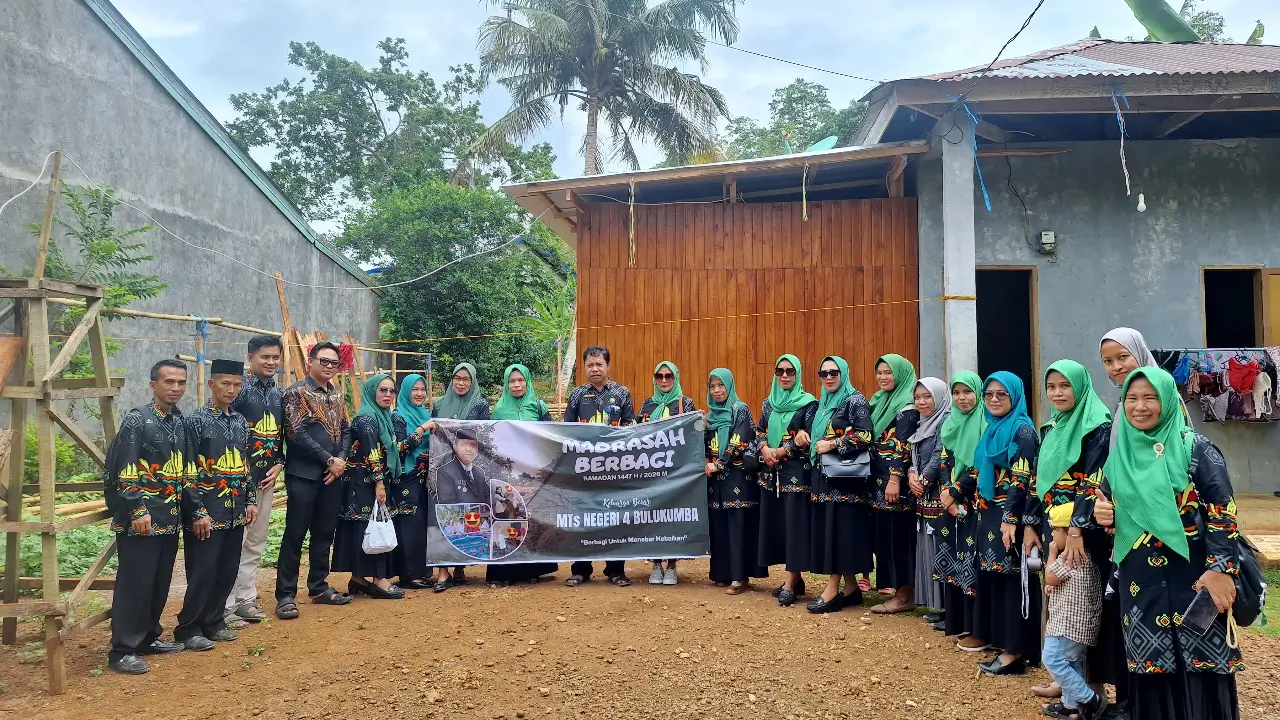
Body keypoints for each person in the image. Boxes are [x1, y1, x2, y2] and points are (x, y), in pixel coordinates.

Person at [1093, 368, 1243, 720]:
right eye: (1132, 399)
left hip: (1195, 581)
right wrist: (1107, 516)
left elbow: (1224, 512)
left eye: (1151, 398)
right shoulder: (1119, 458)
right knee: (1151, 671)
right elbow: (1115, 513)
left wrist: (1221, 570)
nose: (1140, 407)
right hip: (1141, 586)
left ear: (1169, 401)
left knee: (1202, 671)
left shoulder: (1196, 449)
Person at [1032, 360, 1113, 704]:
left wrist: (1077, 529)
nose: (1058, 392)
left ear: (1080, 387)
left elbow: (1094, 480)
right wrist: (1042, 526)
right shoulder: (1052, 426)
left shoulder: (1098, 426)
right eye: (1052, 387)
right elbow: (1042, 480)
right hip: (1058, 527)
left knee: (1085, 608)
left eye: (1065, 386)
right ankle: (1067, 680)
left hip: (1088, 532)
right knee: (1061, 603)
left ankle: (1091, 689)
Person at [104, 359, 191, 675]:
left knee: (158, 582)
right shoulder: (137, 420)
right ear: (153, 385)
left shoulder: (178, 422)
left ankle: (148, 637)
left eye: (181, 382)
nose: (176, 388)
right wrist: (136, 509)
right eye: (169, 382)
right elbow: (124, 468)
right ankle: (122, 649)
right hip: (141, 518)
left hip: (169, 517)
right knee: (134, 584)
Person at [175, 359, 257, 650]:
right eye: (225, 384)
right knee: (203, 571)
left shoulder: (239, 422)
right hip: (207, 512)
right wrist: (197, 511)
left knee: (227, 570)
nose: (231, 390)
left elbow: (244, 464)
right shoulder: (196, 421)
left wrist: (250, 500)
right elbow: (186, 468)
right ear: (212, 385)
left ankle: (214, 621)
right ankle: (188, 628)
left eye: (236, 385)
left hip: (235, 510)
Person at [968, 371, 1042, 674]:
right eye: (989, 394)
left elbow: (1021, 478)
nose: (995, 399)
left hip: (1009, 518)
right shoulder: (993, 429)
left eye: (1002, 394)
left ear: (1015, 396)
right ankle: (1004, 643)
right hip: (990, 516)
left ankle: (1017, 652)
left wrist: (1012, 519)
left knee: (1014, 581)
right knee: (996, 579)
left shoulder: (1022, 431)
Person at [274, 341, 353, 620]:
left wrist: (340, 460)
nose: (329, 366)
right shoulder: (296, 392)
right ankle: (285, 594)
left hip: (333, 476)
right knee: (295, 534)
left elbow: (346, 429)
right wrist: (327, 459)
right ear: (311, 361)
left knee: (324, 532)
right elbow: (295, 432)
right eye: (324, 361)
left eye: (334, 363)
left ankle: (319, 587)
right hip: (304, 475)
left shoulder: (338, 395)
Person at [224, 335, 285, 628]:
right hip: (236, 481)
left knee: (256, 541)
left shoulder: (278, 394)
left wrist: (280, 463)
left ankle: (245, 599)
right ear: (250, 357)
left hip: (265, 480)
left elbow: (281, 436)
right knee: (235, 541)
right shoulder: (238, 390)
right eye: (265, 357)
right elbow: (224, 430)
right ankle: (224, 604)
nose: (271, 362)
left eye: (275, 357)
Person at [806, 356, 875, 614]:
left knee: (838, 533)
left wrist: (833, 444)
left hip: (846, 481)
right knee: (834, 532)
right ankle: (851, 588)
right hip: (825, 478)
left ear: (843, 373)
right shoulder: (824, 403)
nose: (828, 378)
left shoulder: (854, 399)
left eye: (834, 372)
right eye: (823, 373)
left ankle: (832, 590)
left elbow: (865, 435)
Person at [563, 345, 635, 587]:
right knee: (583, 519)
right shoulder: (577, 395)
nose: (594, 369)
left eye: (599, 364)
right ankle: (580, 569)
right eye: (590, 365)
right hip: (583, 470)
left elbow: (631, 429)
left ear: (608, 366)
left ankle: (615, 570)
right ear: (584, 367)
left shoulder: (622, 393)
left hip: (614, 468)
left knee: (615, 518)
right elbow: (567, 432)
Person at [333, 374, 404, 600]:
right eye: (382, 390)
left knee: (366, 528)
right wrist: (379, 484)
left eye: (392, 391)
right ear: (372, 391)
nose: (388, 395)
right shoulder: (367, 419)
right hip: (364, 484)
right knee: (371, 529)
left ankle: (358, 579)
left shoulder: (383, 417)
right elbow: (372, 454)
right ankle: (379, 580)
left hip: (368, 483)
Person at [486, 364, 558, 586]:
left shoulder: (539, 406)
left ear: (527, 382)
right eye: (512, 381)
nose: (516, 385)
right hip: (508, 472)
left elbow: (553, 433)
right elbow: (491, 442)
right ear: (507, 384)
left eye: (520, 381)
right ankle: (505, 572)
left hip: (534, 471)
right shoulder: (498, 411)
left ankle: (530, 569)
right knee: (507, 516)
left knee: (531, 518)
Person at [756, 354, 818, 606]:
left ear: (798, 374)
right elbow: (759, 430)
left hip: (795, 475)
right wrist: (764, 449)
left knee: (794, 527)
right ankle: (796, 578)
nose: (784, 375)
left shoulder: (808, 404)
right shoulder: (768, 403)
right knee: (780, 526)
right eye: (780, 370)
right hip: (771, 475)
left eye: (790, 371)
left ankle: (791, 582)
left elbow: (809, 436)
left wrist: (781, 451)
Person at [427, 362, 491, 588]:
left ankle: (460, 566)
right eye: (457, 378)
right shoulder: (439, 404)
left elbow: (481, 434)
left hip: (467, 465)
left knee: (466, 512)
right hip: (442, 466)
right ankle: (443, 571)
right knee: (444, 512)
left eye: (466, 379)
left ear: (472, 382)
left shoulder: (480, 404)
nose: (461, 383)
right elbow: (434, 436)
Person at [1041, 503, 1107, 720]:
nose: (1052, 535)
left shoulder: (1068, 556)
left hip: (1066, 625)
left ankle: (1089, 699)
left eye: (1055, 530)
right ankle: (1071, 707)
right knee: (1071, 663)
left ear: (1069, 533)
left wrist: (1051, 553)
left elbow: (1049, 577)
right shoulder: (1088, 557)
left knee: (1052, 658)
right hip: (1082, 628)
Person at [704, 368, 766, 594]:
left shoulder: (739, 409)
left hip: (737, 477)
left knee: (738, 525)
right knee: (719, 526)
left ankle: (740, 577)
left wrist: (719, 464)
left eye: (721, 385)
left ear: (729, 386)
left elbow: (738, 442)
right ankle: (722, 573)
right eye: (712, 386)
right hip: (715, 482)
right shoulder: (710, 416)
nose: (717, 390)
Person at [868, 354, 920, 614]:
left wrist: (895, 479)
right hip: (878, 484)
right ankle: (895, 591)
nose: (883, 377)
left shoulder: (907, 407)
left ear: (900, 374)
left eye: (888, 372)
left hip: (894, 487)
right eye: (879, 372)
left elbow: (903, 447)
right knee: (885, 538)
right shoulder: (879, 402)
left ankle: (904, 595)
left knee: (899, 539)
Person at [938, 372, 987, 645]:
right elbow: (945, 458)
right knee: (955, 555)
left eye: (967, 392)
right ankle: (957, 620)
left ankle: (976, 627)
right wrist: (946, 490)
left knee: (972, 558)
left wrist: (955, 492)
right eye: (956, 393)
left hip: (974, 501)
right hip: (952, 502)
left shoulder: (985, 422)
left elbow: (981, 463)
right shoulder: (950, 423)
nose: (962, 398)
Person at [638, 361, 696, 585]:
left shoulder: (686, 403)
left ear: (676, 378)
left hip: (676, 471)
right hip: (651, 472)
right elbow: (637, 436)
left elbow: (693, 436)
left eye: (668, 376)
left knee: (673, 517)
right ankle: (655, 563)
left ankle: (672, 564)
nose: (664, 380)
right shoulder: (647, 404)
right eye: (659, 376)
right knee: (653, 517)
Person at [1099, 327, 1191, 448]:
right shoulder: (1123, 401)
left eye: (1122, 357)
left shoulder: (1166, 397)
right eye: (1107, 361)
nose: (1116, 367)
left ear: (1139, 353)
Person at [906, 377, 950, 620]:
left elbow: (938, 455)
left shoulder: (945, 421)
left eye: (927, 397)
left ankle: (947, 606)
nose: (921, 402)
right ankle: (938, 605)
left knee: (940, 548)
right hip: (924, 497)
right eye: (918, 397)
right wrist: (912, 475)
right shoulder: (922, 423)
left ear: (940, 397)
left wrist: (921, 481)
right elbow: (915, 456)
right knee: (928, 550)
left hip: (937, 496)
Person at [391, 373, 433, 591]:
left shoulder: (425, 413)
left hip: (425, 478)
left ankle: (422, 572)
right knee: (409, 526)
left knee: (422, 525)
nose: (419, 394)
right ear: (406, 392)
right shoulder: (398, 416)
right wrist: (423, 429)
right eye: (414, 390)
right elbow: (399, 448)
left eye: (422, 390)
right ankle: (408, 575)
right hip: (407, 478)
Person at [435, 428, 490, 505]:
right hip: (462, 516)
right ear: (455, 447)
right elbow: (448, 505)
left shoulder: (479, 472)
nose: (468, 449)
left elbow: (488, 498)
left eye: (473, 445)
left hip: (483, 516)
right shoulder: (445, 472)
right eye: (464, 444)